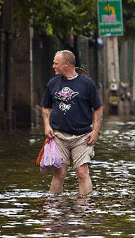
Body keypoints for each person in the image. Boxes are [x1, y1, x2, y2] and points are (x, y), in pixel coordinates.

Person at [41, 50, 104, 196]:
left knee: (82, 173)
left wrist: (95, 131)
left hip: (82, 136)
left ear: (66, 64)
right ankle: (55, 207)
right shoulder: (53, 83)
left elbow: (98, 108)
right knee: (60, 173)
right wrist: (46, 125)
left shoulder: (87, 83)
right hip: (59, 135)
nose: (53, 66)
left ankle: (84, 207)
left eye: (56, 63)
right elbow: (46, 107)